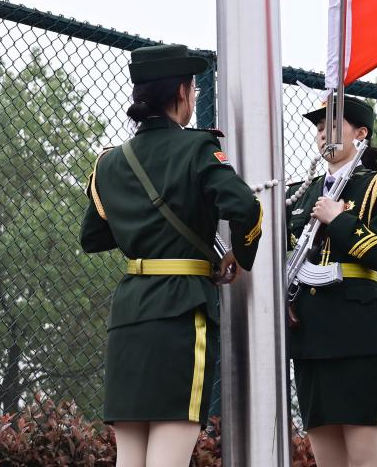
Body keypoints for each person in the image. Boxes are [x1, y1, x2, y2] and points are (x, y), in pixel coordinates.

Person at [80, 44, 264, 467]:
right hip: (182, 307)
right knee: (169, 453)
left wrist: (141, 229)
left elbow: (92, 236)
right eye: (193, 89)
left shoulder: (109, 163)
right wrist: (240, 254)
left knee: (130, 458)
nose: (194, 97)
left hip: (129, 313)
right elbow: (245, 207)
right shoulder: (197, 148)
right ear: (182, 92)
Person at [285, 95, 377, 467]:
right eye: (320, 128)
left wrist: (339, 220)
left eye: (333, 126)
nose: (324, 134)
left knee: (364, 458)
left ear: (361, 133)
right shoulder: (300, 192)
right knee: (328, 459)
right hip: (308, 334)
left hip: (358, 334)